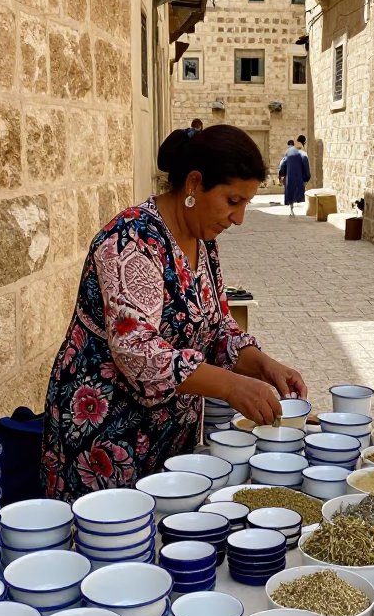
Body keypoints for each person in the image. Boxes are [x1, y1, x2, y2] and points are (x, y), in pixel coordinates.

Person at [41, 125, 306, 501]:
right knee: (112, 547)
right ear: (194, 184)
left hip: (168, 444)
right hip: (105, 443)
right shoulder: (130, 238)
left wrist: (262, 365)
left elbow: (214, 328)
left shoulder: (202, 241)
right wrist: (231, 386)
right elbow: (136, 350)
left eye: (245, 203)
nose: (239, 218)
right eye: (233, 201)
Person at [279, 139, 311, 216]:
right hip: (299, 177)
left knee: (290, 193)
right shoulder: (301, 153)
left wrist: (281, 174)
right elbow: (305, 164)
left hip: (289, 177)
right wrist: (307, 176)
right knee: (298, 192)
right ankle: (297, 208)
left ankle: (291, 209)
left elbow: (282, 164)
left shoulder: (288, 153)